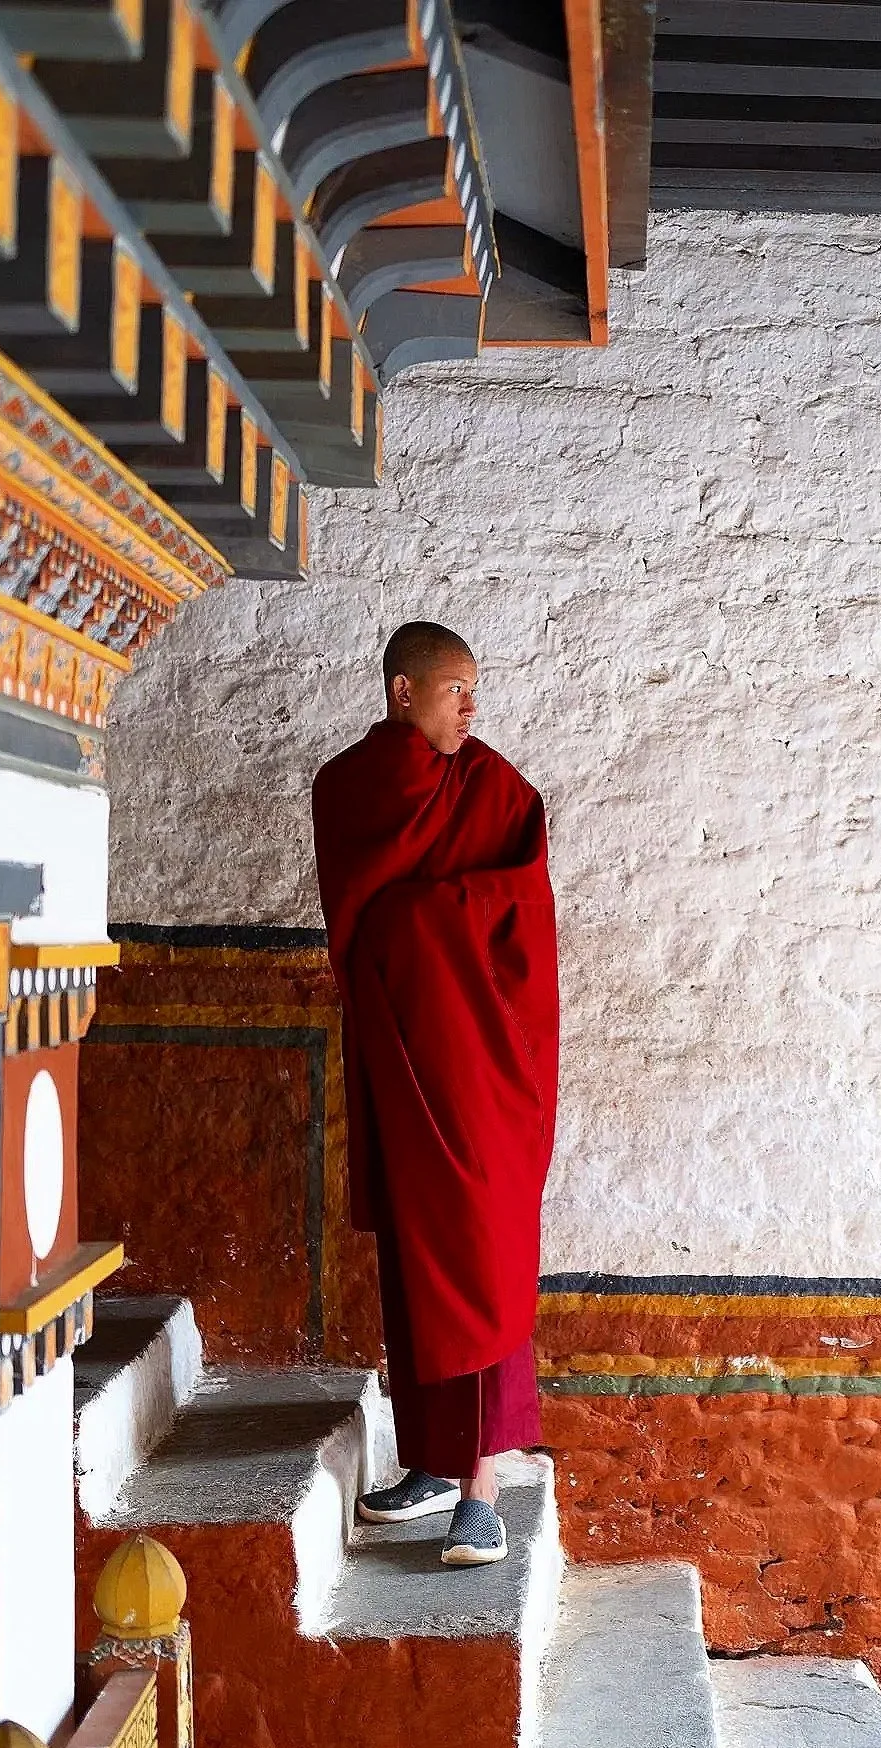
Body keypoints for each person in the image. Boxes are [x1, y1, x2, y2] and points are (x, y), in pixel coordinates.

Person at [310, 621, 558, 1567]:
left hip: (485, 1069)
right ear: (403, 691)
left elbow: (522, 910)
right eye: (457, 689)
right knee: (418, 1264)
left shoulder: (497, 793)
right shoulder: (351, 790)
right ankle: (431, 1461)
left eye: (476, 690)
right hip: (399, 1057)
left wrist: (418, 919)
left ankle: (482, 1491)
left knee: (481, 1259)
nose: (472, 707)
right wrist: (409, 927)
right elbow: (354, 925)